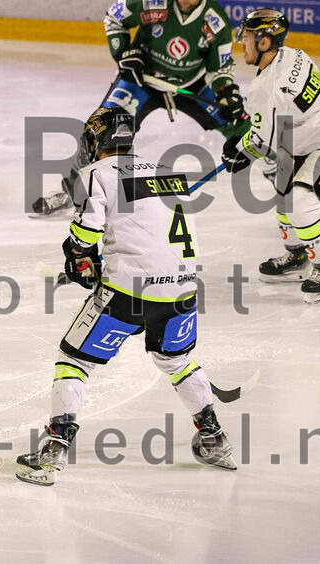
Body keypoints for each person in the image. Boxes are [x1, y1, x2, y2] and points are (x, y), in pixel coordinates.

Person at [16, 107, 236, 486]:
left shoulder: (94, 174)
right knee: (177, 360)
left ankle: (54, 451)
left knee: (74, 360)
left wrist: (78, 255)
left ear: (94, 141)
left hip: (130, 292)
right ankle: (214, 438)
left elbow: (88, 231)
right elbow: (153, 236)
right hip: (183, 289)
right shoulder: (168, 171)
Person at [32, 0, 249, 215]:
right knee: (101, 130)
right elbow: (114, 16)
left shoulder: (215, 21)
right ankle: (73, 193)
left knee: (242, 128)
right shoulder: (154, 1)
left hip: (191, 85)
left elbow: (221, 68)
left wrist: (225, 92)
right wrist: (123, 53)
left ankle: (292, 189)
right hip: (141, 81)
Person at [221, 10, 320, 303]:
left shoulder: (267, 88)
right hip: (309, 136)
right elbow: (274, 125)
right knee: (284, 192)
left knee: (301, 200)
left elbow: (262, 142)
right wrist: (245, 140)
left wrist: (239, 151)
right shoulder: (290, 54)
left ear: (264, 42)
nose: (241, 43)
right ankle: (298, 253)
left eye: (247, 37)